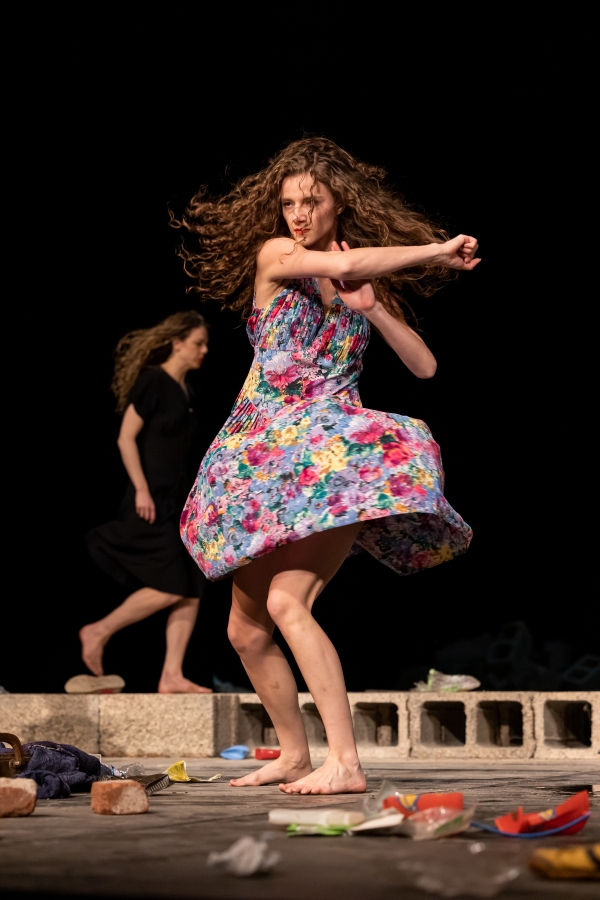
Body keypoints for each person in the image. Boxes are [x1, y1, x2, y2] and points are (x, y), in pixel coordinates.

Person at [174, 138, 479, 790]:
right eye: (288, 202)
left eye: (311, 200)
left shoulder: (357, 276)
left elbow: (423, 365)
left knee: (287, 602)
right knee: (245, 631)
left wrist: (373, 309)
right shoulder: (278, 256)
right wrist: (434, 250)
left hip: (335, 459)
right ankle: (295, 754)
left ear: (341, 200)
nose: (298, 213)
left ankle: (345, 762)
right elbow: (338, 277)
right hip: (265, 455)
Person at [81, 311, 212, 694]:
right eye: (198, 343)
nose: (204, 350)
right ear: (177, 342)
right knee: (173, 585)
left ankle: (172, 675)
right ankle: (98, 630)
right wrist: (140, 489)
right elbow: (125, 438)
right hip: (150, 500)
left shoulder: (186, 391)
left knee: (191, 586)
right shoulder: (153, 381)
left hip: (176, 503)